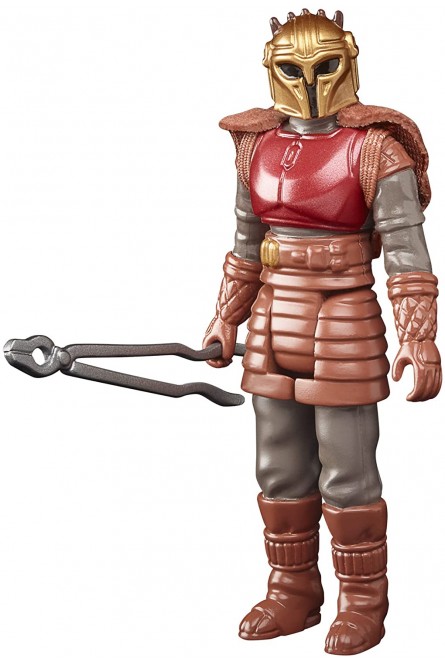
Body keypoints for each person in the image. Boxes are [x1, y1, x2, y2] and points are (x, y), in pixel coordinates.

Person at [202, 9, 441, 656]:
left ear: (347, 60)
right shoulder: (253, 144)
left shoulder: (376, 148)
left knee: (347, 471)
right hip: (271, 312)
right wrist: (226, 316)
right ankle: (291, 591)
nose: (308, 82)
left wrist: (418, 336)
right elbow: (245, 243)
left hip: (342, 316)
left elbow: (405, 250)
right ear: (271, 68)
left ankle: (362, 603)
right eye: (292, 68)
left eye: (324, 65)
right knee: (278, 465)